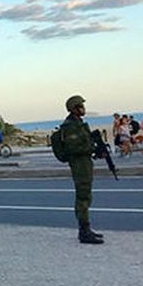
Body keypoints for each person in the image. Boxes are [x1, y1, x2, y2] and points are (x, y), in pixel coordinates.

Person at [60, 95, 104, 244]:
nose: (84, 109)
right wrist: (91, 148)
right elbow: (73, 147)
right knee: (83, 197)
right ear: (74, 109)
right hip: (79, 165)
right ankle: (84, 231)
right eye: (81, 106)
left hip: (84, 163)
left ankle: (86, 229)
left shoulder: (78, 123)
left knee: (86, 196)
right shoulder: (70, 126)